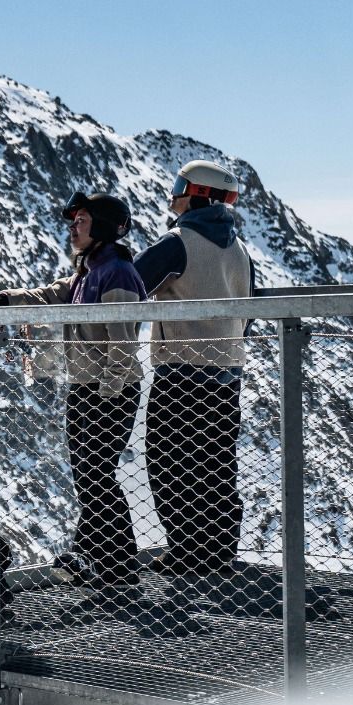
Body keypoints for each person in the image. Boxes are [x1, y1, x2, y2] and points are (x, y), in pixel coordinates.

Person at [135, 159, 287, 614]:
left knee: (167, 461)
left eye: (179, 187)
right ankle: (218, 550)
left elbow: (130, 285)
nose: (173, 196)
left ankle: (185, 551)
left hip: (181, 369)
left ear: (198, 194)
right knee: (216, 461)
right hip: (227, 373)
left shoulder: (177, 243)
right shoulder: (239, 250)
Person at [0, 193, 147, 590]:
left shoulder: (117, 272)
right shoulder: (86, 272)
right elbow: (49, 294)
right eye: (73, 219)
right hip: (83, 388)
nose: (72, 226)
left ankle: (116, 567)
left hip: (109, 392)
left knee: (96, 474)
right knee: (89, 476)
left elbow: (123, 342)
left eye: (81, 219)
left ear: (105, 227)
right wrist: (8, 300)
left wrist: (107, 391)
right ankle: (102, 561)